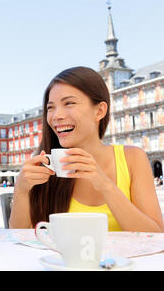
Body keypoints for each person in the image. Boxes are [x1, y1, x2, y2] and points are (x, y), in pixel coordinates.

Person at [10, 66, 164, 232]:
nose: (56, 116)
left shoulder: (132, 158)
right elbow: (19, 237)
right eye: (50, 107)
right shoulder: (44, 165)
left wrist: (106, 186)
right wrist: (22, 189)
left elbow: (156, 237)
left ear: (99, 111)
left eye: (69, 103)